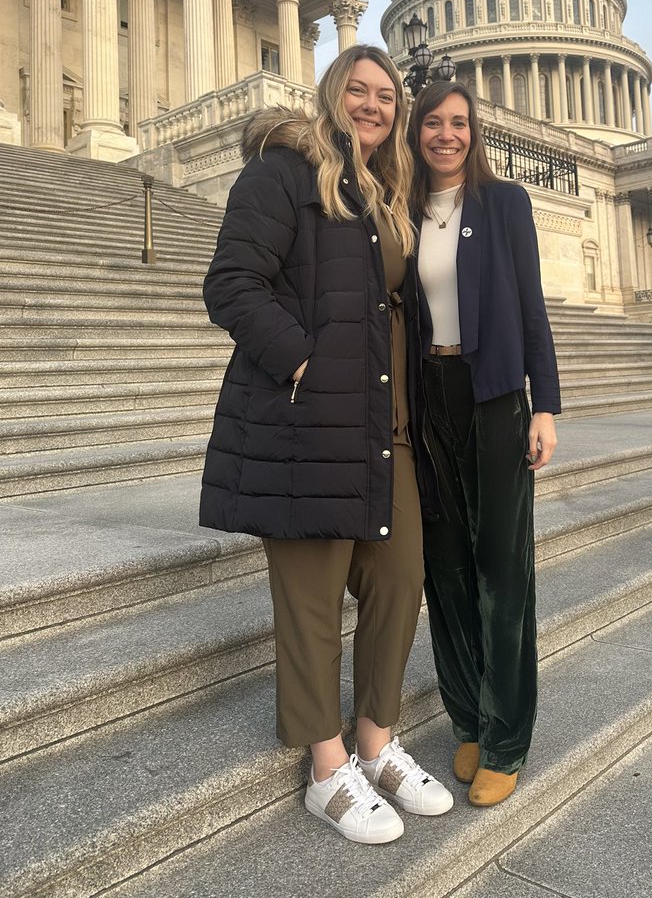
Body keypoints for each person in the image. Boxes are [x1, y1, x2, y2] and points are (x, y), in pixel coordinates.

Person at [200, 45, 452, 845]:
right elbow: (231, 281)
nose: (373, 105)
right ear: (332, 93)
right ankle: (326, 767)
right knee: (310, 602)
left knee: (401, 577)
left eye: (385, 95)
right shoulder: (283, 171)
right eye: (359, 91)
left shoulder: (386, 193)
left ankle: (377, 743)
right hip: (309, 421)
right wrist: (305, 358)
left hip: (387, 426)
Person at [407, 80, 561, 808]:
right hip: (427, 397)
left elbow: (532, 307)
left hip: (495, 393)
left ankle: (506, 735)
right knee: (446, 571)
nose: (447, 134)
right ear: (417, 131)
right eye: (434, 122)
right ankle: (466, 716)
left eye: (459, 123)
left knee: (502, 574)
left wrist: (545, 407)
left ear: (476, 131)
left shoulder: (505, 205)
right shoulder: (402, 210)